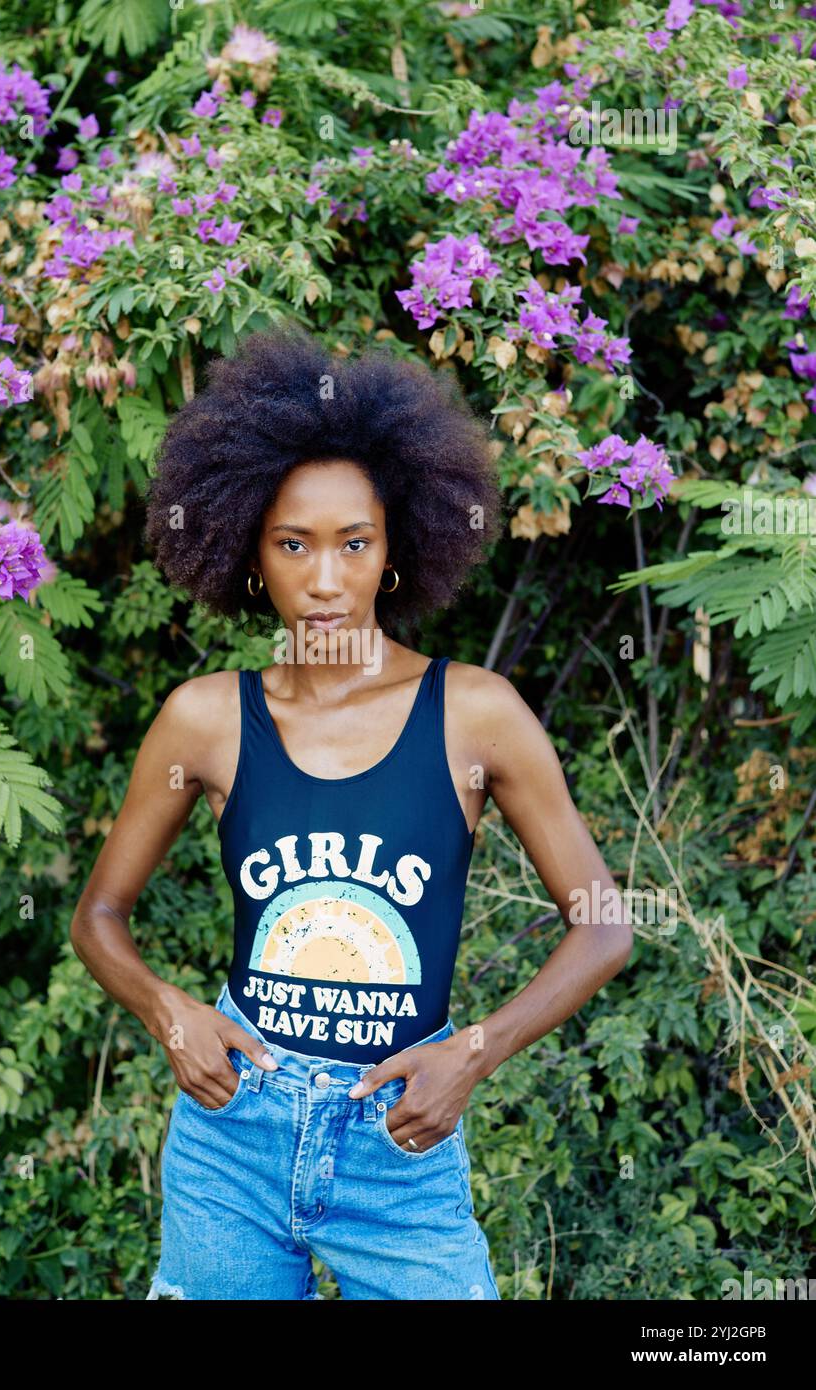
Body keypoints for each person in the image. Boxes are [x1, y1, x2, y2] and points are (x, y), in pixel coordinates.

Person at [69, 325, 633, 1300]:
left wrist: (472, 1050)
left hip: (398, 1143)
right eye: (293, 544)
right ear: (250, 551)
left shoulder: (477, 715)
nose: (324, 579)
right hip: (235, 1136)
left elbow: (605, 924)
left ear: (395, 550)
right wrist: (170, 1012)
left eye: (353, 543)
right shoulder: (205, 720)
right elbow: (98, 916)